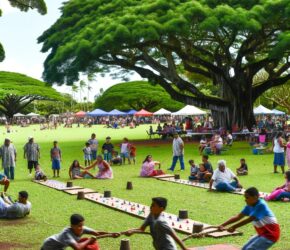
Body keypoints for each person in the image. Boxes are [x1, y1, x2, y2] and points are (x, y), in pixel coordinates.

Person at [124, 197, 189, 250]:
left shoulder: (161, 221)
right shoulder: (151, 215)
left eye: (153, 205)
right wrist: (131, 231)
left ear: (161, 209)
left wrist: (185, 249)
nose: (151, 206)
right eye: (151, 204)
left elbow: (174, 235)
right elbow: (141, 229)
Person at [41, 214, 120, 250]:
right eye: (79, 226)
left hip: (60, 247)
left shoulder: (82, 228)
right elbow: (78, 248)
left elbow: (97, 233)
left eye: (82, 225)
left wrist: (111, 234)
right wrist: (89, 240)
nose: (81, 228)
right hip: (49, 247)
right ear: (72, 226)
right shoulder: (67, 234)